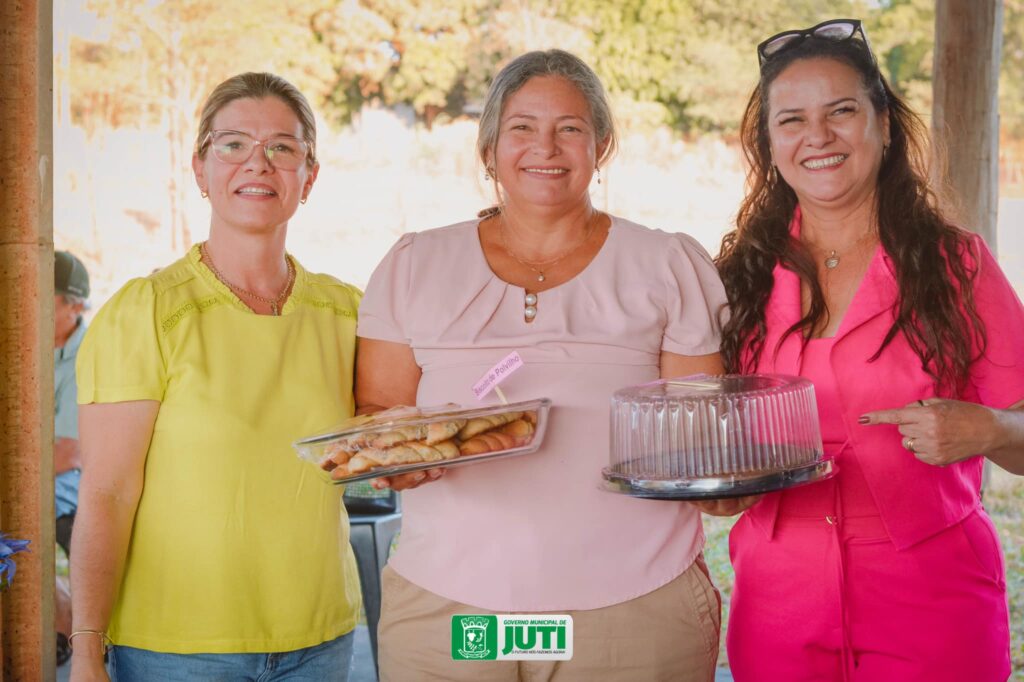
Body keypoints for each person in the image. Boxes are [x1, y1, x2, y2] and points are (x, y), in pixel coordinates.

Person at [357, 49, 727, 681]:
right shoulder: (415, 265)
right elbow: (379, 414)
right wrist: (406, 459)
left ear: (601, 145)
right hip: (455, 615)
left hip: (629, 608)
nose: (545, 148)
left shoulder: (667, 264)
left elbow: (698, 431)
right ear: (489, 147)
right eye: (522, 127)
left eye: (570, 129)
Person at [713, 19, 1024, 681]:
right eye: (791, 119)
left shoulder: (956, 265)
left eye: (843, 111)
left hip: (934, 602)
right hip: (777, 605)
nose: (817, 136)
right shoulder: (740, 277)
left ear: (884, 125)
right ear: (770, 144)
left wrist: (990, 428)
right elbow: (715, 443)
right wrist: (718, 489)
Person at [69, 72, 362, 682]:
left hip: (321, 640)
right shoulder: (145, 311)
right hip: (176, 650)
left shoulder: (350, 313)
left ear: (309, 177)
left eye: (283, 147)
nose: (259, 162)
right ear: (200, 169)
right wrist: (88, 652)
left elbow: (394, 438)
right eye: (232, 144)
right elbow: (106, 493)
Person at [54, 250, 91, 665]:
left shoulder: (87, 354)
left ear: (74, 305)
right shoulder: (27, 340)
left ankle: (66, 626)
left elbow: (69, 451)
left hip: (71, 481)